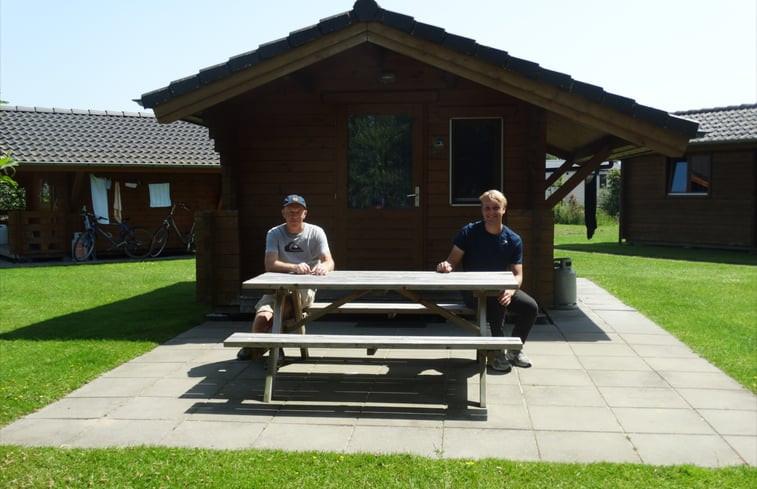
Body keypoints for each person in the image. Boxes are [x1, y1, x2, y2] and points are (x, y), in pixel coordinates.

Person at [436, 189, 538, 372]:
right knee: (495, 305)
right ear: (482, 210)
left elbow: (518, 275)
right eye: (486, 208)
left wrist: (511, 290)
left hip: (501, 290)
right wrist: (446, 266)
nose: (490, 212)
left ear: (504, 209)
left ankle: (514, 350)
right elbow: (452, 260)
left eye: (495, 208)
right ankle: (496, 354)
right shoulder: (469, 232)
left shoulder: (513, 239)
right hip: (472, 291)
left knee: (530, 307)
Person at [237, 194, 335, 361]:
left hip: (304, 288)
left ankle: (265, 350)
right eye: (290, 212)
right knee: (263, 318)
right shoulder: (274, 233)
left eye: (298, 212)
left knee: (282, 310)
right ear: (283, 213)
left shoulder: (316, 232)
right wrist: (294, 267)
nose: (294, 216)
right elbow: (270, 264)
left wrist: (323, 267)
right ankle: (260, 346)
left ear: (305, 214)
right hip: (277, 288)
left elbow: (329, 261)